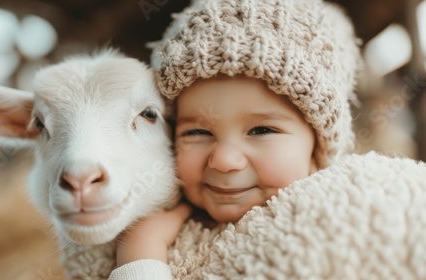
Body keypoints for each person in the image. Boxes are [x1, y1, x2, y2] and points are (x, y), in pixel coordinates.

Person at [110, 0, 360, 278]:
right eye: (197, 132)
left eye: (261, 130)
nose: (224, 160)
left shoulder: (338, 224)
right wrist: (141, 250)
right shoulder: (154, 223)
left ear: (318, 146)